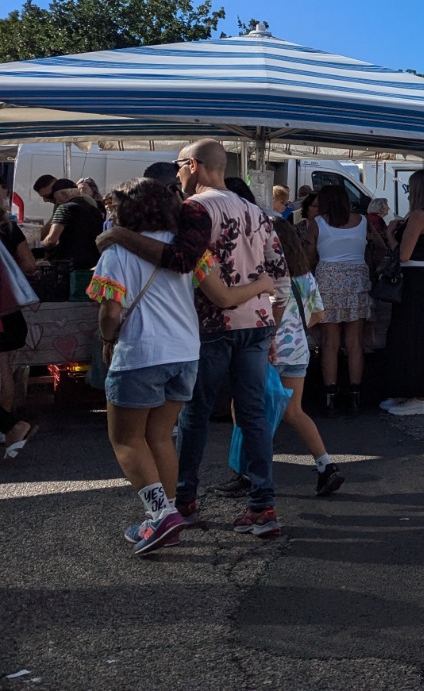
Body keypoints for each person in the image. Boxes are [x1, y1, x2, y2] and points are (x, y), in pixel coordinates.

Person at [90, 176, 276, 550]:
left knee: (126, 439)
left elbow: (110, 311)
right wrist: (261, 285)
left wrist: (108, 340)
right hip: (186, 352)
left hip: (141, 353)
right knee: (160, 436)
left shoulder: (115, 252)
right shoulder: (192, 253)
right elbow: (223, 296)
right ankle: (168, 514)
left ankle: (161, 515)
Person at [264, 218, 343, 495]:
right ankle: (326, 464)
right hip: (298, 350)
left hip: (268, 351)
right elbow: (319, 315)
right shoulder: (305, 276)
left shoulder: (266, 275)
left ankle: (251, 475)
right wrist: (295, 327)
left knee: (252, 413)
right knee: (295, 412)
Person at [379, 168, 424, 417]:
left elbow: (404, 254)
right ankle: (416, 392)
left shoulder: (418, 216)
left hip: (413, 279)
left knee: (408, 335)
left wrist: (390, 234)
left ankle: (418, 396)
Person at [305, 184, 373, 416]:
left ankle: (329, 397)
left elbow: (309, 256)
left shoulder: (317, 224)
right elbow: (381, 248)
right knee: (354, 342)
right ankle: (356, 396)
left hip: (328, 280)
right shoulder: (363, 221)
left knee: (330, 343)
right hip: (357, 278)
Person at [0, 190, 37, 459]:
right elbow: (30, 264)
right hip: (10, 311)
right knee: (3, 367)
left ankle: (11, 426)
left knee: (2, 369)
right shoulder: (9, 228)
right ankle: (7, 427)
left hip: (1, 315)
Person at [39, 178, 103, 268]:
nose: (56, 202)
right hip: (92, 264)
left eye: (56, 198)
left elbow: (51, 240)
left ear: (65, 195)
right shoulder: (94, 210)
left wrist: (39, 245)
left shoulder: (64, 209)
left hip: (69, 265)